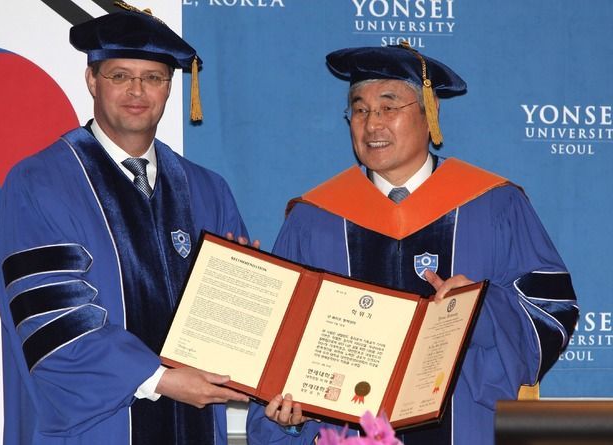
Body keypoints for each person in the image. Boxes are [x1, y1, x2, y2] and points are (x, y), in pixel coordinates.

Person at [246, 43, 579, 445]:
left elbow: (549, 310)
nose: (372, 124)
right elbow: (276, 348)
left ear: (429, 114)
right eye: (360, 109)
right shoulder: (314, 219)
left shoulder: (495, 205)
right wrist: (288, 418)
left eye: (389, 107)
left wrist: (480, 308)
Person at [0, 5, 252, 445]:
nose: (137, 90)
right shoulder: (39, 183)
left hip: (195, 429)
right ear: (92, 79)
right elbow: (54, 321)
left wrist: (249, 298)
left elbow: (232, 325)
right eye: (119, 76)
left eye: (153, 77)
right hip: (94, 432)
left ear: (170, 87)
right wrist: (160, 379)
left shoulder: (208, 190)